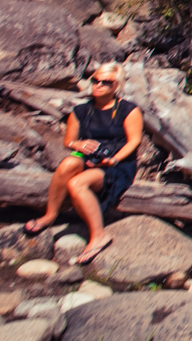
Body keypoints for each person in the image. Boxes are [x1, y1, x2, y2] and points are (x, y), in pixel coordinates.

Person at [24, 61, 144, 264]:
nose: (97, 85)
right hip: (90, 159)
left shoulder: (128, 110)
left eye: (105, 82)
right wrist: (78, 144)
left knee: (76, 184)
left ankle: (99, 235)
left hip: (117, 163)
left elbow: (134, 141)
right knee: (67, 164)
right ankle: (50, 214)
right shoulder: (81, 111)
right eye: (95, 80)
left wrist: (113, 159)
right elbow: (68, 141)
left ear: (116, 86)